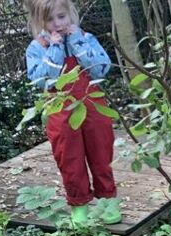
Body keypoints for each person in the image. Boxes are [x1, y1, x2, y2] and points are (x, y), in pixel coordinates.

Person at [24, 0, 120, 224]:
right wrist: (56, 49)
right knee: (69, 155)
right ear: (40, 21)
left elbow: (101, 68)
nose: (57, 24)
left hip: (93, 104)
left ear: (70, 15)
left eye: (61, 17)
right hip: (60, 109)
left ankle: (108, 199)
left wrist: (77, 42)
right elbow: (43, 81)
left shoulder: (86, 38)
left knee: (101, 150)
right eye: (50, 19)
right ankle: (79, 203)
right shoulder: (37, 48)